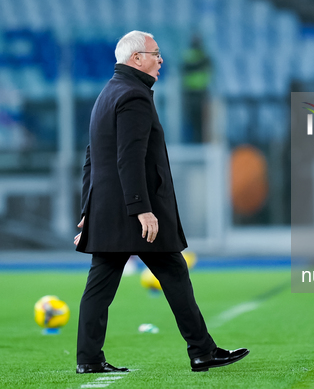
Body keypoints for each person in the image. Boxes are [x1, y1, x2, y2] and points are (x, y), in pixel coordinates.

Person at [73, 31, 248, 374]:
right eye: (155, 54)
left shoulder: (107, 94)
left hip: (108, 208)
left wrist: (87, 210)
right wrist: (141, 208)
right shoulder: (134, 96)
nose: (161, 59)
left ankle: (89, 358)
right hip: (134, 211)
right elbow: (130, 158)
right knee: (172, 272)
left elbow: (92, 159)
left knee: (104, 282)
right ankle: (202, 351)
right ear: (136, 58)